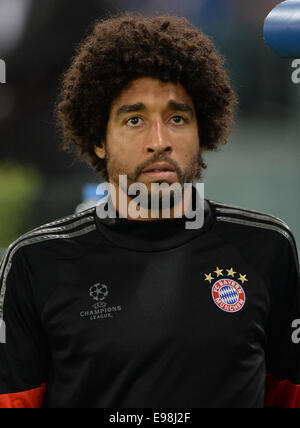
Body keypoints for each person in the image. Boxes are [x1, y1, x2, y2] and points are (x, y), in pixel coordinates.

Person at [0, 12, 299, 409]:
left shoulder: (267, 248)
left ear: (203, 130)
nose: (159, 141)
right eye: (135, 119)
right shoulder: (35, 262)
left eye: (177, 118)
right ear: (99, 139)